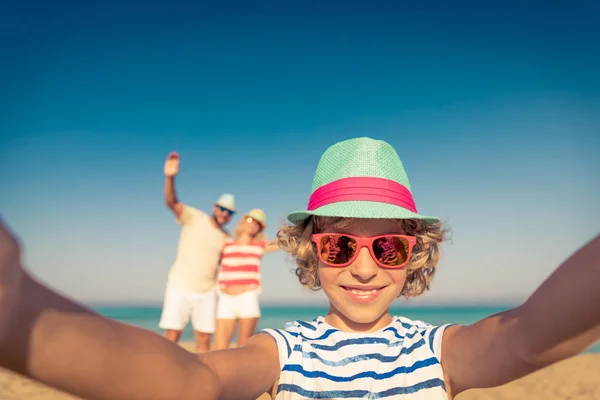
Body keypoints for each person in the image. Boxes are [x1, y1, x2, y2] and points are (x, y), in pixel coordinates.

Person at [0, 137, 599, 400]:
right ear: (311, 250)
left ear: (415, 252)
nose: (364, 267)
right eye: (340, 245)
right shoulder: (284, 352)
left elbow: (528, 334)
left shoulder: (441, 353)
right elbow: (190, 381)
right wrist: (19, 312)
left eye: (387, 246)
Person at [160, 151, 236, 353]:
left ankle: (199, 381)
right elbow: (171, 202)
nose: (225, 214)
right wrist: (170, 177)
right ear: (214, 206)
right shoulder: (195, 217)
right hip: (179, 286)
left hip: (207, 292)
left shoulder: (227, 238)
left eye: (230, 212)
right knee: (171, 337)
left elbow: (237, 259)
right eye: (222, 209)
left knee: (203, 340)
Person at [213, 208, 280, 350]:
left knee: (243, 348)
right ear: (243, 221)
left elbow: (281, 243)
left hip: (247, 298)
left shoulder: (259, 246)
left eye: (258, 224)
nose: (253, 224)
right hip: (225, 297)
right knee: (219, 348)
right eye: (250, 220)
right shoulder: (226, 244)